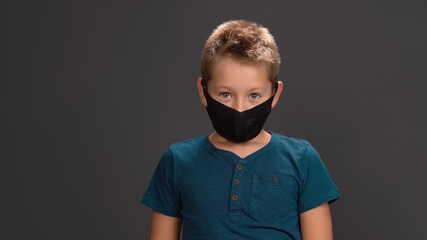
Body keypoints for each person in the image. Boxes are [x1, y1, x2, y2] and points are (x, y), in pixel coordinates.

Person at [140, 19, 340, 240]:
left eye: (254, 95)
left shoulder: (302, 159)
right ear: (203, 91)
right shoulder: (177, 161)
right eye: (225, 94)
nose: (239, 109)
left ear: (275, 94)